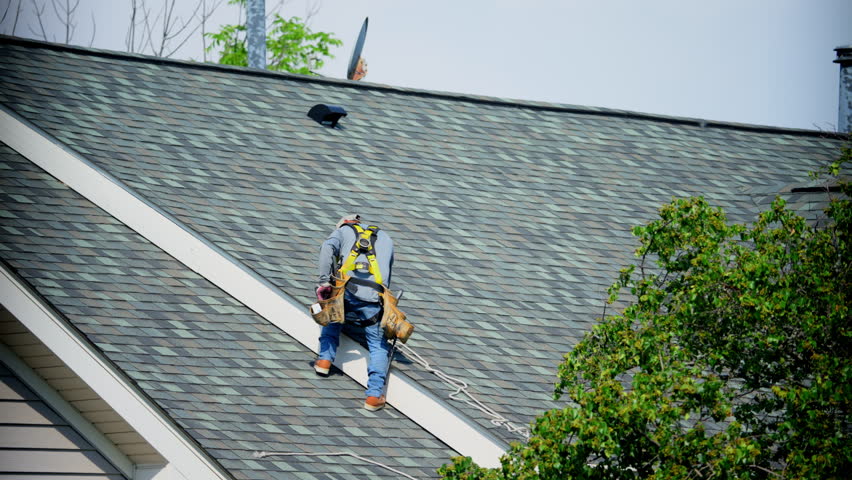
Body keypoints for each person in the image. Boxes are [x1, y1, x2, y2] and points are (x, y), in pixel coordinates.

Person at [314, 214, 394, 411]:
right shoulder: (386, 237)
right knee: (377, 345)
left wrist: (324, 281)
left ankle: (324, 360)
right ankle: (374, 396)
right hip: (373, 298)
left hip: (347, 290)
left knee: (333, 316)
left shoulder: (342, 231)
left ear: (344, 224)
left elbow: (326, 249)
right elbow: (386, 276)